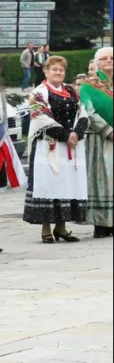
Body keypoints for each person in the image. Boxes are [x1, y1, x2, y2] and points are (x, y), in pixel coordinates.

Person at [23, 55, 89, 242]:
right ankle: (46, 228)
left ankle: (61, 227)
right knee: (48, 183)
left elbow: (82, 113)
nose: (58, 72)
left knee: (65, 183)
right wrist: (66, 135)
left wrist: (76, 133)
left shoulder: (71, 91)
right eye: (54, 69)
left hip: (69, 146)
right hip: (48, 145)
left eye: (61, 70)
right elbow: (40, 117)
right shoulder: (38, 92)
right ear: (46, 71)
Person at [80, 47, 113, 238]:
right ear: (97, 62)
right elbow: (88, 111)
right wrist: (108, 131)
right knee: (101, 179)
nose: (109, 61)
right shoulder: (89, 85)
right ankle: (101, 224)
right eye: (104, 58)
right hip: (99, 138)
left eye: (112, 58)